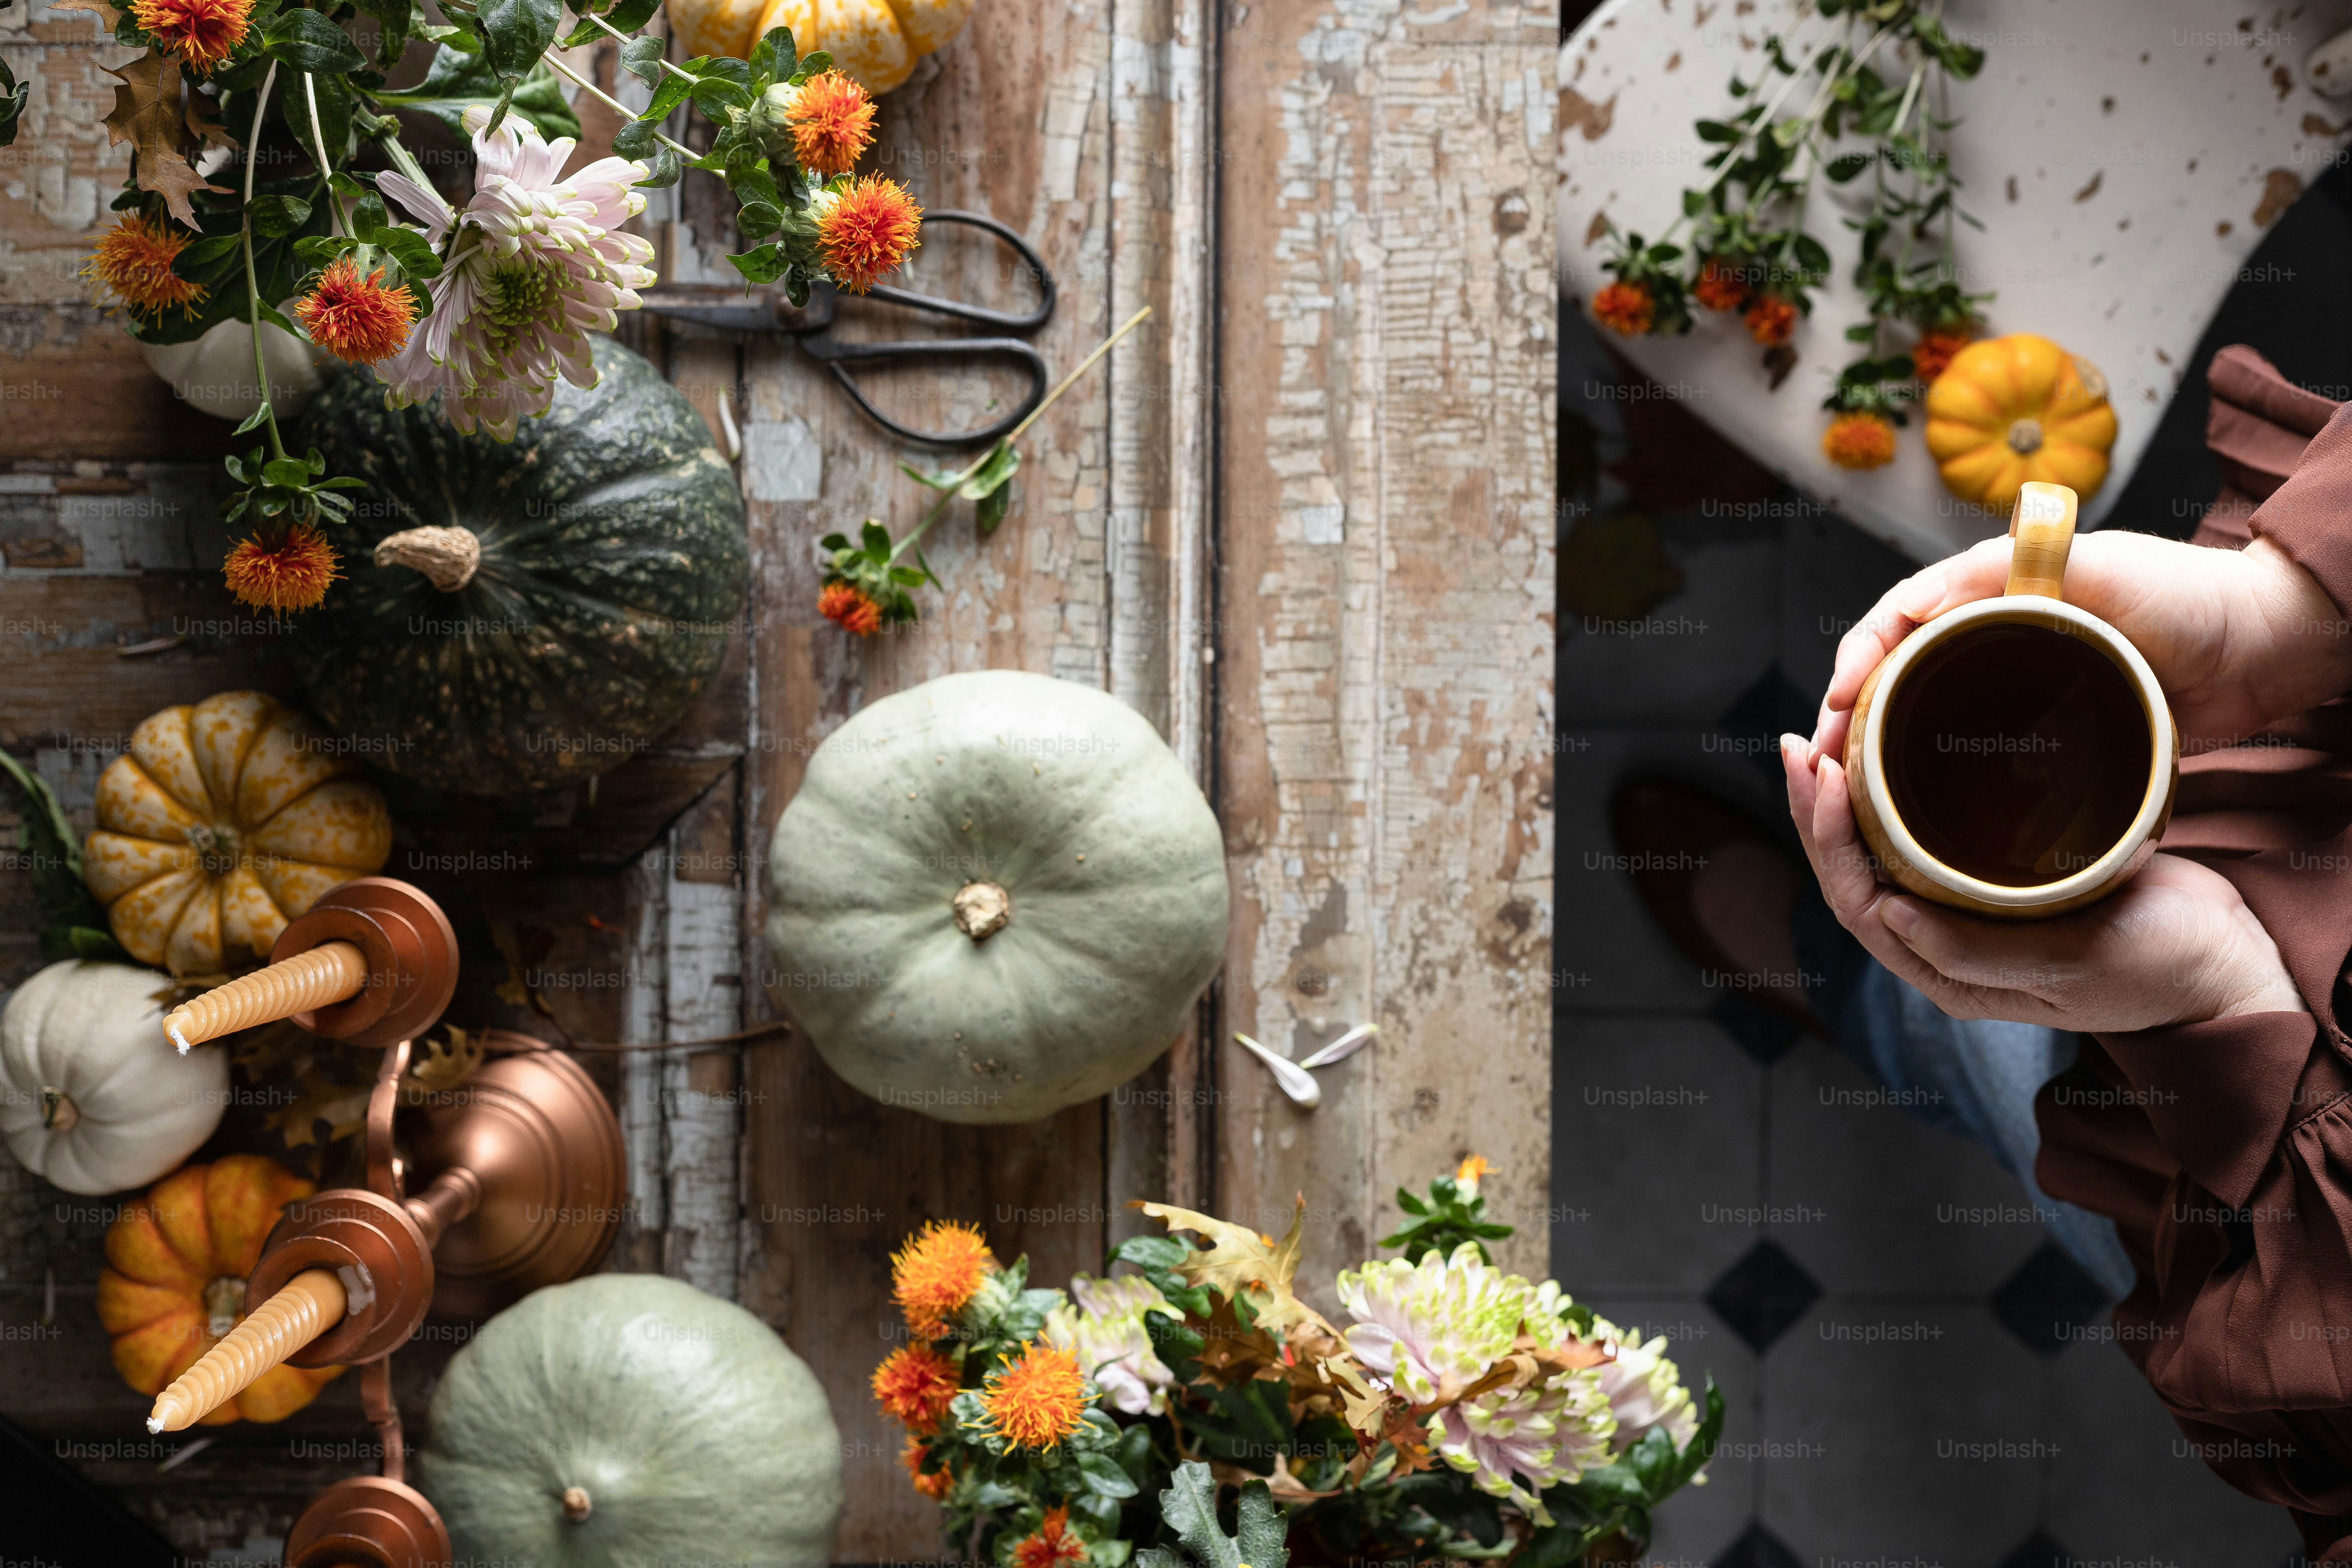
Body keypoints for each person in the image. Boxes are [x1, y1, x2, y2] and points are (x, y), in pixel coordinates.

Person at [1614, 380, 2352, 1558]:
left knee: (1997, 1055)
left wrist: (2228, 1008)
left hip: (2269, 1194)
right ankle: (1880, 989)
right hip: (2301, 774)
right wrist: (2281, 615)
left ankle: (1855, 994)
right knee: (1992, 1019)